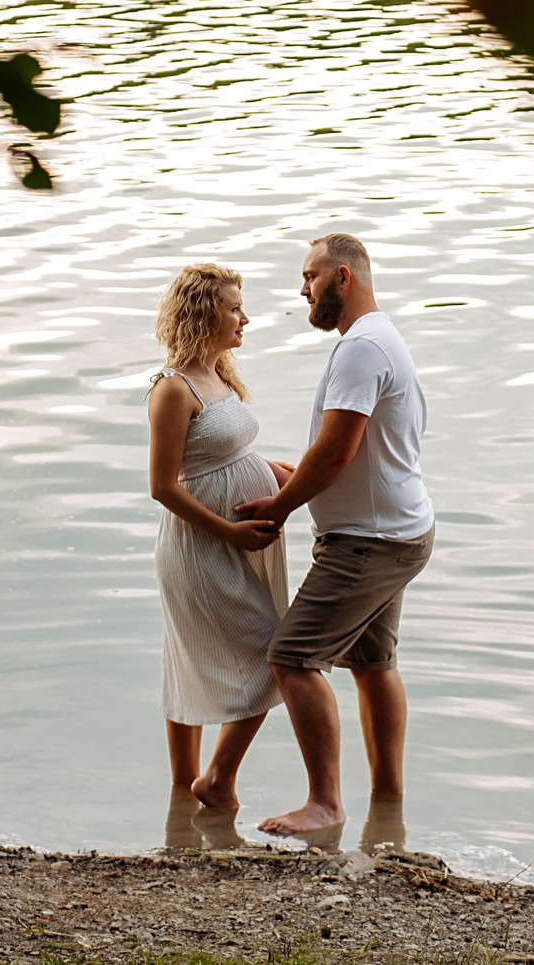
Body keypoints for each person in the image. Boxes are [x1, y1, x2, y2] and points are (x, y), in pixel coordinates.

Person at [234, 232, 434, 837]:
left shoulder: (361, 348)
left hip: (369, 541)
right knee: (373, 664)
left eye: (310, 277)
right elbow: (363, 454)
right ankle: (389, 803)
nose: (303, 290)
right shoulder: (379, 339)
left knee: (292, 657)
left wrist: (282, 506)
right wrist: (291, 477)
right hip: (399, 529)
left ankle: (326, 804)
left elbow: (337, 449)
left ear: (343, 277)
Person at [147, 262, 290, 812]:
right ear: (205, 312)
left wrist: (271, 469)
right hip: (203, 545)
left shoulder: (220, 375)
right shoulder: (172, 389)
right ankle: (212, 782)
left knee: (198, 651)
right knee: (267, 651)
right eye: (234, 308)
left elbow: (222, 450)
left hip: (237, 541)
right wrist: (230, 531)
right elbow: (163, 486)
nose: (245, 318)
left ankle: (182, 800)